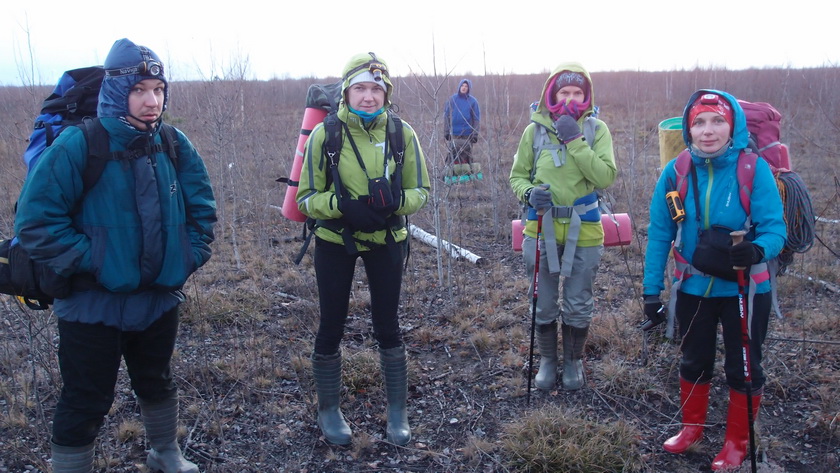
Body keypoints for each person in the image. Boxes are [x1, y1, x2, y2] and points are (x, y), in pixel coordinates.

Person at [14, 38, 217, 473]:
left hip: (158, 298)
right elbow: (35, 222)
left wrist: (186, 255)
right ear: (116, 90)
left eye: (158, 90)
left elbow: (202, 209)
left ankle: (165, 453)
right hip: (92, 304)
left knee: (157, 381)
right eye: (139, 89)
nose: (152, 101)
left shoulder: (173, 142)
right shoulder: (79, 144)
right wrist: (95, 260)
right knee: (85, 399)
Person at [642, 89, 786, 470]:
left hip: (746, 289)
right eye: (700, 122)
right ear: (688, 129)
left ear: (732, 125)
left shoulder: (753, 169)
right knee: (693, 359)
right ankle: (692, 429)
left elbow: (775, 229)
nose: (708, 131)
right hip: (692, 286)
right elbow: (659, 233)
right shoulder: (675, 171)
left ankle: (737, 443)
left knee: (744, 367)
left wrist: (756, 250)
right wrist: (651, 290)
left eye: (718, 121)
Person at [296, 52, 430, 446]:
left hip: (387, 239)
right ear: (346, 91)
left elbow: (420, 190)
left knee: (388, 325)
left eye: (376, 88)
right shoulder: (326, 134)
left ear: (387, 93)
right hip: (335, 241)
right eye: (360, 88)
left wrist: (395, 202)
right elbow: (306, 198)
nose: (368, 96)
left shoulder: (402, 134)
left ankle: (397, 411)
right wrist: (342, 207)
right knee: (331, 323)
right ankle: (329, 410)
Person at [509, 63, 616, 392]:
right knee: (543, 301)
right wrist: (529, 193)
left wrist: (575, 140)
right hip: (540, 227)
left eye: (577, 93)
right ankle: (547, 360)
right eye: (564, 92)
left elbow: (604, 177)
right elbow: (517, 177)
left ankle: (572, 361)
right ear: (551, 95)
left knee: (578, 301)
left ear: (587, 96)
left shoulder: (597, 130)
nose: (570, 99)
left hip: (585, 229)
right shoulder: (534, 132)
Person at [443, 78, 481, 182]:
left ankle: (467, 179)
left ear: (469, 88)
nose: (464, 88)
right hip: (454, 134)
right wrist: (446, 131)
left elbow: (476, 119)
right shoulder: (452, 100)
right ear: (459, 87)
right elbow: (446, 116)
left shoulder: (473, 102)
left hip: (467, 134)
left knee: (466, 156)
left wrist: (475, 134)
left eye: (466, 86)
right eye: (462, 86)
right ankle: (449, 177)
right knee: (452, 156)